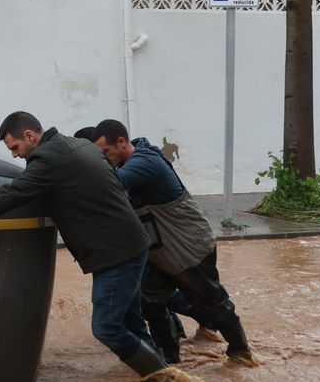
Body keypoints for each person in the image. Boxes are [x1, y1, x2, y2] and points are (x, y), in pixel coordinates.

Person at [0, 111, 175, 382]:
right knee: (131, 323)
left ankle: (165, 381)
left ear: (30, 136)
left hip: (116, 254)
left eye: (15, 147)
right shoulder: (77, 146)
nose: (15, 156)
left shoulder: (49, 160)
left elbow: (10, 195)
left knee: (107, 328)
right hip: (129, 244)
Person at [89, 118, 256, 366]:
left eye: (105, 152)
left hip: (189, 248)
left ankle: (241, 351)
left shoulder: (145, 162)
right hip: (160, 252)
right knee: (151, 303)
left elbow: (111, 185)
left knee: (212, 302)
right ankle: (170, 361)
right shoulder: (128, 163)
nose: (105, 157)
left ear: (122, 143)